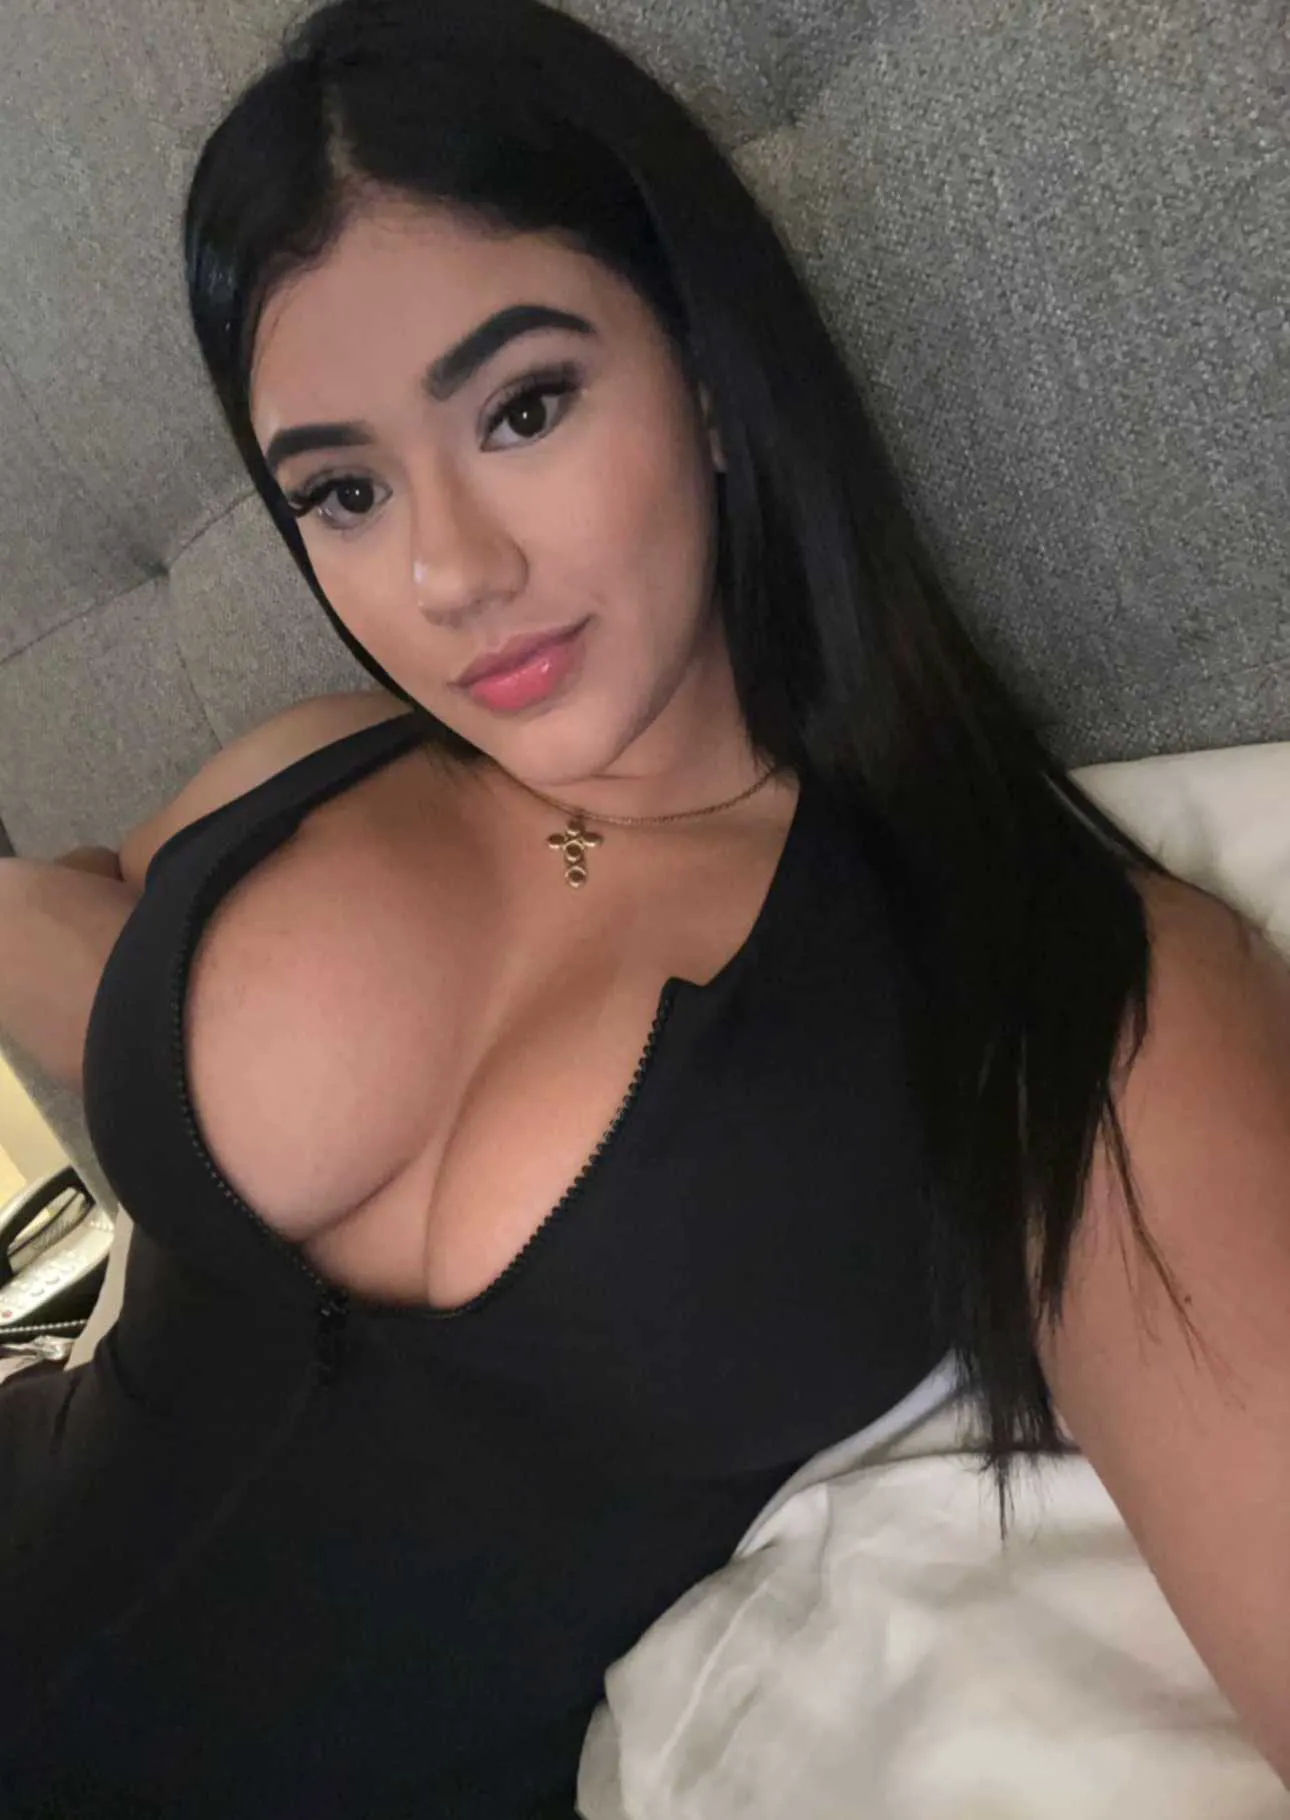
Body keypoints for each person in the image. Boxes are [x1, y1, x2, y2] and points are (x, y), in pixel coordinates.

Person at [1, 0, 1287, 1810]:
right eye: (343, 492)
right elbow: (80, 937)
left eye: (523, 406)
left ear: (702, 375)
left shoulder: (1058, 984)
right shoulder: (307, 773)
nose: (450, 570)